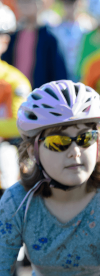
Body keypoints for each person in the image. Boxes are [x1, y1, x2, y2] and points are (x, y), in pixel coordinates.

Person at [0, 80, 100, 276]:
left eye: (85, 138)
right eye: (58, 142)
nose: (75, 152)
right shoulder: (17, 201)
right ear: (33, 151)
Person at [0, 3, 32, 192]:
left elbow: (19, 124)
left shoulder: (14, 80)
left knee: (6, 156)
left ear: (5, 40)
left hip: (3, 155)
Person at [1, 0, 68, 89]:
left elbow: (59, 73)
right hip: (15, 93)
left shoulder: (49, 38)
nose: (24, 5)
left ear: (40, 4)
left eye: (29, 2)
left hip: (39, 95)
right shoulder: (13, 37)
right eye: (21, 2)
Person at [51, 0, 87, 82]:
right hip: (60, 75)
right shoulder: (54, 30)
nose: (69, 8)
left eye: (72, 3)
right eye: (66, 4)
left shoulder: (86, 29)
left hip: (80, 75)